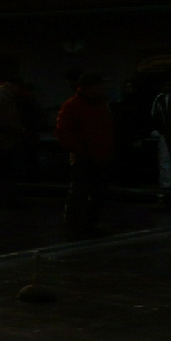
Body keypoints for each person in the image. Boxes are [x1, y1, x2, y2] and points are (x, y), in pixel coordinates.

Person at [56, 72, 114, 237]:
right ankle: (77, 227)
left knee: (96, 192)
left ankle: (87, 225)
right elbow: (63, 133)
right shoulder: (74, 106)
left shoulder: (98, 104)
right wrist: (80, 149)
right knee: (80, 193)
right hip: (85, 156)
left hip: (98, 154)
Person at [151, 80, 171, 208]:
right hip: (165, 133)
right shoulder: (160, 98)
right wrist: (157, 129)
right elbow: (155, 114)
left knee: (165, 161)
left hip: (165, 132)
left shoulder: (162, 99)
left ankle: (166, 189)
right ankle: (166, 189)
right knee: (165, 161)